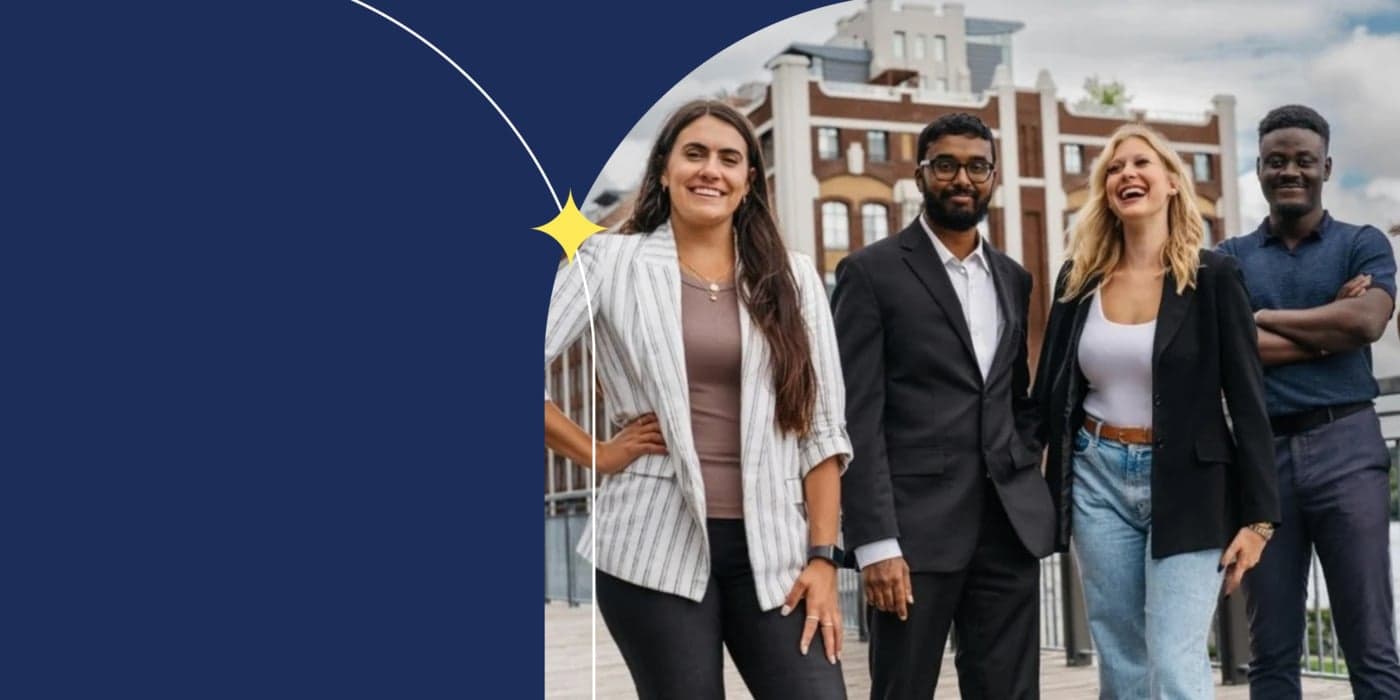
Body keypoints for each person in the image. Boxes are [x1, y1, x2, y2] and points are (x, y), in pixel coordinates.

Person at [542, 99, 851, 699]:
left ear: (748, 181)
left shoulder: (793, 277)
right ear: (664, 170)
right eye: (695, 154)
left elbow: (821, 430)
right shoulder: (609, 260)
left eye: (729, 159)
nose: (712, 170)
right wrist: (597, 453)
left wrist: (823, 557)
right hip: (651, 546)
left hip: (777, 552)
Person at [1034, 123, 1280, 699]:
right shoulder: (1078, 279)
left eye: (1141, 163)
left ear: (1171, 181)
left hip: (1191, 484)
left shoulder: (1214, 276)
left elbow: (1248, 401)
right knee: (1121, 656)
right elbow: (1049, 395)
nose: (1127, 174)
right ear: (1106, 191)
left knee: (1172, 658)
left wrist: (1259, 520)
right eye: (1114, 168)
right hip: (1096, 477)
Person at [831, 112, 1054, 699]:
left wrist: (1021, 459)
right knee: (902, 690)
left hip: (1007, 528)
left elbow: (1012, 395)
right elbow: (856, 417)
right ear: (921, 175)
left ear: (993, 177)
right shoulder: (870, 273)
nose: (963, 179)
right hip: (913, 536)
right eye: (947, 165)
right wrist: (875, 542)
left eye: (978, 167)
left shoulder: (1013, 277)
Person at [1217, 104, 1400, 700]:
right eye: (1276, 161)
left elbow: (1367, 323)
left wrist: (1262, 317)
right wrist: (1328, 327)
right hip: (1260, 459)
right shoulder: (1229, 256)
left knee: (1370, 642)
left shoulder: (1362, 243)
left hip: (1348, 447)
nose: (1289, 171)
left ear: (1327, 166)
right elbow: (1228, 349)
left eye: (1303, 160)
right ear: (1259, 169)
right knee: (1270, 649)